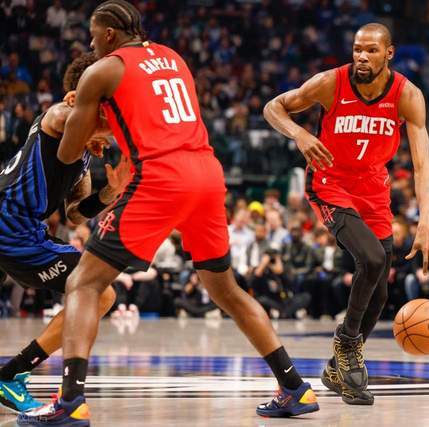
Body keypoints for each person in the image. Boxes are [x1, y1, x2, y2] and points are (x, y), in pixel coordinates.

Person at [18, 2, 318, 425]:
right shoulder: (173, 58)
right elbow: (157, 115)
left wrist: (88, 120)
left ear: (108, 34)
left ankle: (69, 402)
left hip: (161, 178)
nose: (90, 42)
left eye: (93, 34)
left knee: (84, 283)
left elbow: (67, 152)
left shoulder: (102, 70)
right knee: (227, 290)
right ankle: (295, 387)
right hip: (207, 174)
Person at [264, 22, 429, 404]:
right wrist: (300, 134)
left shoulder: (407, 95)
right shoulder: (329, 83)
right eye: (357, 49)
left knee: (380, 289)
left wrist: (426, 223)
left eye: (371, 50)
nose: (362, 56)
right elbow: (273, 107)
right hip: (330, 183)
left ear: (389, 53)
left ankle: (337, 369)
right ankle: (347, 343)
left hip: (373, 189)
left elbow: (423, 167)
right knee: (372, 257)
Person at [0, 53, 129, 413]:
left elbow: (74, 214)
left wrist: (110, 192)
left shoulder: (83, 153)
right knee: (98, 292)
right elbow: (69, 118)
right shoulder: (58, 115)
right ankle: (11, 374)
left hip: (20, 228)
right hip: (11, 225)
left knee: (97, 292)